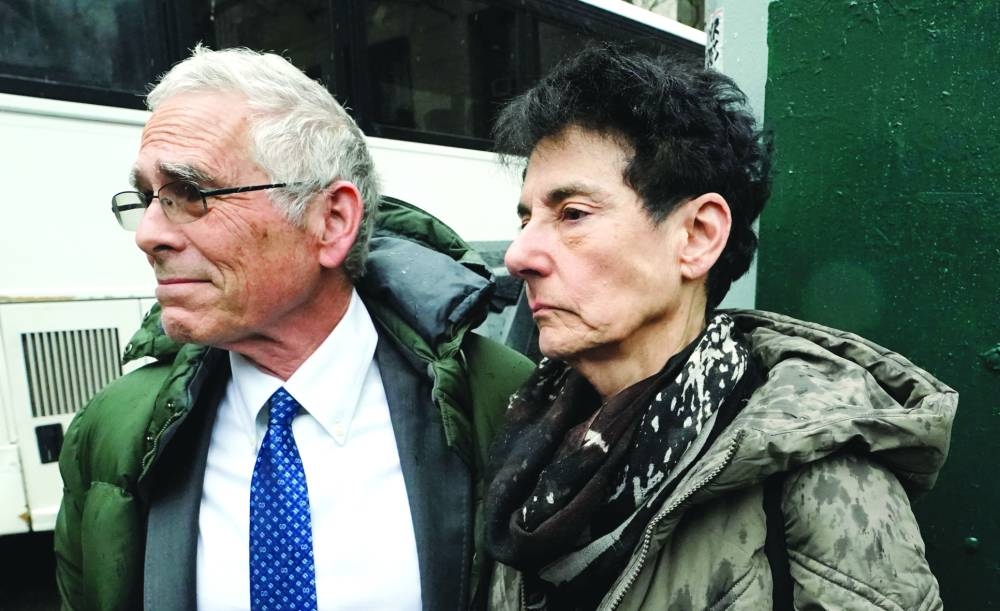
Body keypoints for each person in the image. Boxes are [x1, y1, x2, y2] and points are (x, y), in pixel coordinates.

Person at [54, 45, 533, 611]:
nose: (148, 234)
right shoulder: (111, 429)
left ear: (331, 221)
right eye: (146, 198)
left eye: (191, 194)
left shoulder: (505, 398)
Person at [483, 46, 956, 610]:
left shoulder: (818, 479)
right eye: (525, 217)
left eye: (573, 214)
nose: (519, 254)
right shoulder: (524, 438)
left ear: (698, 236)